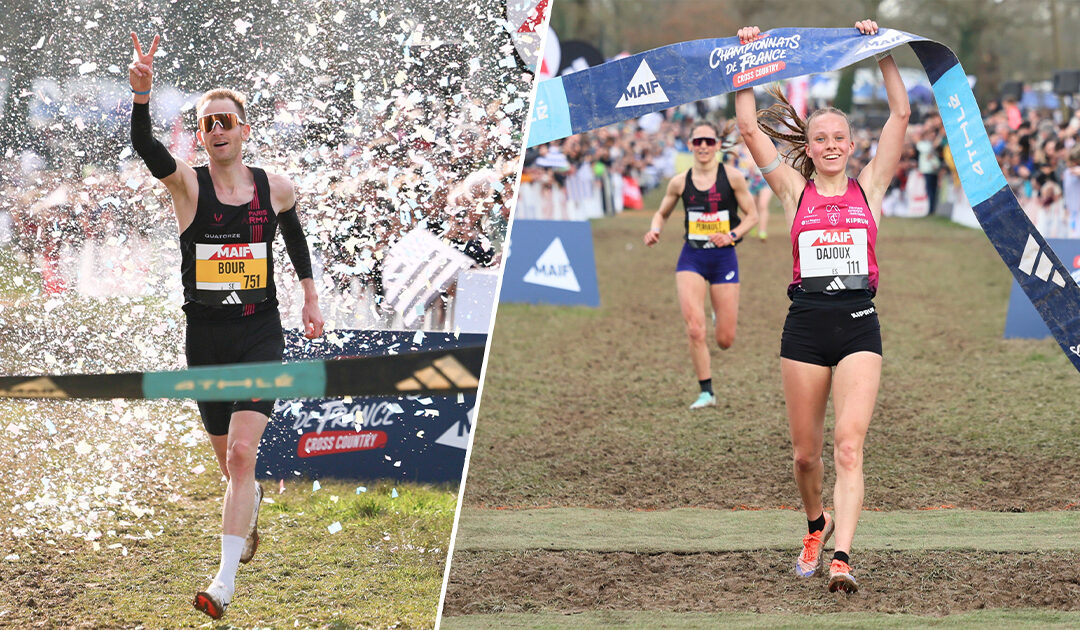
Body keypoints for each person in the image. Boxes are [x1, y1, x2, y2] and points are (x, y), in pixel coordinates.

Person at [128, 33, 325, 618]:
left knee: (243, 454)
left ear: (244, 130)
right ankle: (251, 504)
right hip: (206, 339)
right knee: (230, 466)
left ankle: (222, 583)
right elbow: (144, 146)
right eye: (207, 122)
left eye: (226, 121)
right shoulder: (187, 185)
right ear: (200, 135)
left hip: (260, 331)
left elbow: (293, 232)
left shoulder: (275, 186)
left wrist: (310, 297)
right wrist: (142, 95)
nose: (216, 130)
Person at [735, 20, 909, 593]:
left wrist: (882, 50)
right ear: (808, 148)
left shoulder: (871, 189)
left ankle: (842, 558)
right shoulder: (793, 192)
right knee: (806, 458)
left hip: (859, 322)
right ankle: (816, 524)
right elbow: (745, 124)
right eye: (821, 139)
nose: (831, 146)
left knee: (849, 446)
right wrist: (750, 56)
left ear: (851, 144)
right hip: (805, 325)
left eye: (840, 138)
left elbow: (900, 116)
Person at [643, 121, 758, 409]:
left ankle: (720, 316)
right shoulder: (680, 182)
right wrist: (655, 229)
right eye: (698, 142)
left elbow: (753, 216)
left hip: (723, 259)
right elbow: (661, 213)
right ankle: (706, 392)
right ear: (691, 146)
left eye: (709, 141)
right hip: (692, 258)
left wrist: (731, 235)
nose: (704, 146)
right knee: (695, 329)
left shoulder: (732, 177)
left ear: (717, 145)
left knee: (725, 340)